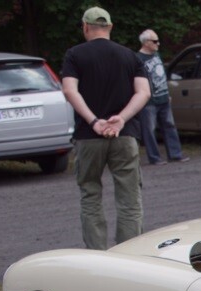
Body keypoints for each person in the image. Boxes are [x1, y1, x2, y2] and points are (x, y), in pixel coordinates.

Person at [61, 7, 151, 250]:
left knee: (90, 196)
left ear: (85, 27)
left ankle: (97, 255)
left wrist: (94, 121)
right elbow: (143, 92)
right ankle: (129, 253)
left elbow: (69, 90)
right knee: (129, 199)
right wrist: (121, 119)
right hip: (124, 136)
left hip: (88, 137)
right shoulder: (129, 56)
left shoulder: (74, 55)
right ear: (110, 27)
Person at [136, 29, 188, 165]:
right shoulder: (138, 59)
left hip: (163, 98)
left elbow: (162, 76)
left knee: (170, 125)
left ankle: (175, 154)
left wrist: (167, 94)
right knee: (149, 129)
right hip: (149, 101)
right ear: (146, 43)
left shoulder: (156, 55)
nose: (158, 44)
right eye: (155, 41)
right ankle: (154, 157)